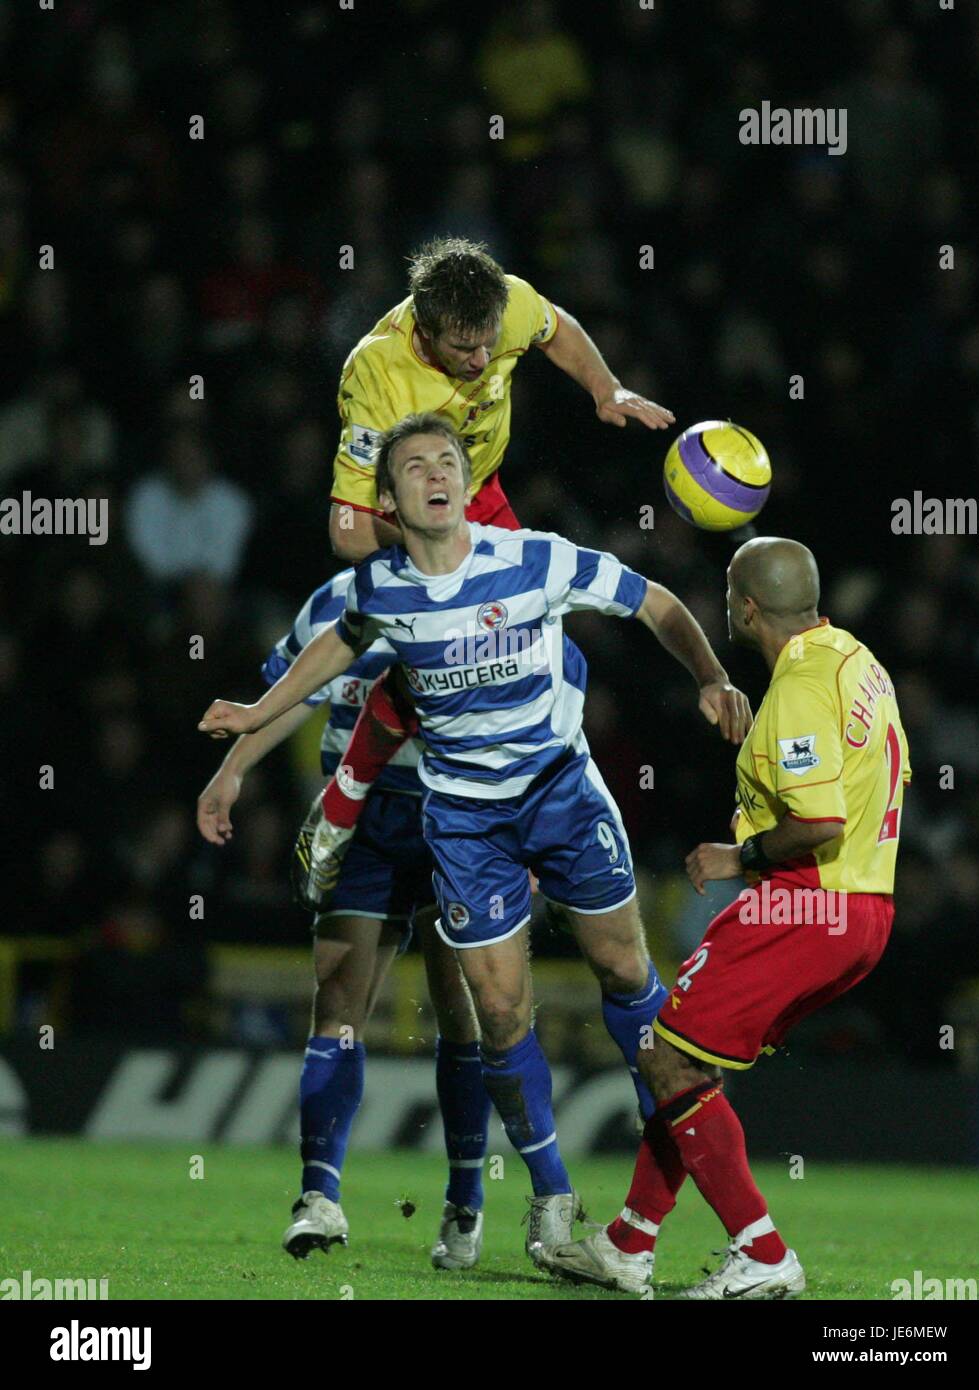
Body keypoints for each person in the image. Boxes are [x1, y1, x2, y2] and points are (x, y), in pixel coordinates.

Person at [198, 412, 751, 1266]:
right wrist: (253, 719)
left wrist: (711, 677)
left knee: (625, 975)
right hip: (462, 819)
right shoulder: (376, 590)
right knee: (495, 1013)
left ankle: (671, 1161)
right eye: (415, 465)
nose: (436, 474)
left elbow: (657, 601)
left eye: (448, 460)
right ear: (389, 499)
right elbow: (332, 654)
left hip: (562, 794)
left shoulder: (531, 558)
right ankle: (551, 1199)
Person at [537, 537, 910, 1298]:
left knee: (667, 1061)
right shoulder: (851, 656)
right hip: (861, 909)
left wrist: (730, 860)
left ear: (743, 607)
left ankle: (763, 1253)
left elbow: (817, 821)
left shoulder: (799, 687)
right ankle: (626, 1243)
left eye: (726, 593)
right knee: (689, 1064)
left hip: (805, 904)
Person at [313, 236, 675, 871]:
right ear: (424, 332)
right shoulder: (376, 371)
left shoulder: (500, 303)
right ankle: (343, 806)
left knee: (550, 661)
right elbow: (348, 531)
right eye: (464, 348)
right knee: (445, 667)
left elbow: (555, 328)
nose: (484, 358)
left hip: (480, 497)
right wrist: (441, 551)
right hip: (409, 523)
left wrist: (605, 387)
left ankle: (542, 828)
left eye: (489, 343)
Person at [196, 571, 492, 1271]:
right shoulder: (333, 596)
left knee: (461, 1010)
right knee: (337, 1005)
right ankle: (318, 1196)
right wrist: (232, 769)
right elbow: (297, 694)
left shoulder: (478, 585)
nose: (347, 514)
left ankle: (464, 1199)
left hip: (453, 815)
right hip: (358, 818)